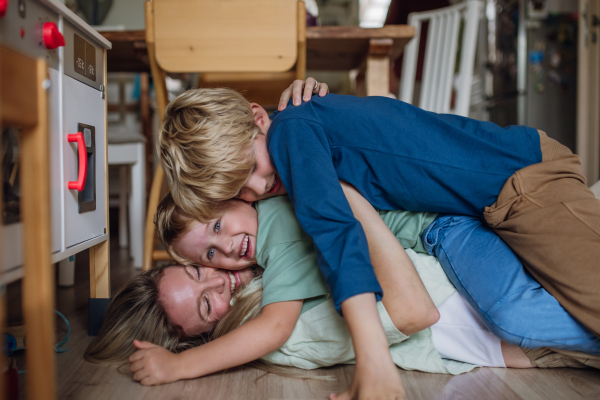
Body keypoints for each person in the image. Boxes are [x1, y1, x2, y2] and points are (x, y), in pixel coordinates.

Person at [159, 86, 600, 346]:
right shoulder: (291, 132)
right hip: (490, 205)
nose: (259, 188)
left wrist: (371, 354)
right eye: (241, 190)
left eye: (252, 170)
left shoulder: (292, 132)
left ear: (259, 118)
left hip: (522, 179)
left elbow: (333, 228)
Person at [85, 185, 600, 388]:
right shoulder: (279, 319)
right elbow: (414, 312)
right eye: (207, 304)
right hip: (477, 295)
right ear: (207, 336)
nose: (222, 276)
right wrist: (179, 365)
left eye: (204, 271)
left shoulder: (272, 234)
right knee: (523, 314)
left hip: (457, 235)